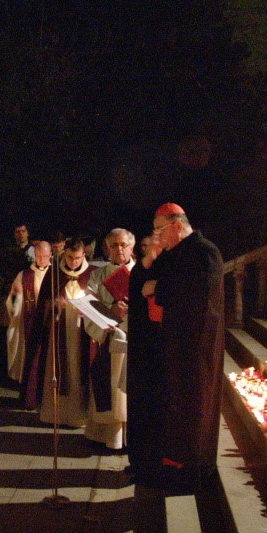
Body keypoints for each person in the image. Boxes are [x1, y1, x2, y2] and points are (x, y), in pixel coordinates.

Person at [141, 203, 224, 492]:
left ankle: (192, 472)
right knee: (175, 406)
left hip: (196, 346)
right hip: (176, 342)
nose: (157, 237)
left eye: (160, 230)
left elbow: (199, 295)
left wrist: (158, 289)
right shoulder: (176, 252)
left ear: (177, 225)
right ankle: (173, 465)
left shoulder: (205, 252)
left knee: (193, 407)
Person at [83, 228, 136, 449]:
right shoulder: (98, 275)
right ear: (107, 248)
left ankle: (132, 440)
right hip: (109, 339)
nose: (119, 249)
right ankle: (105, 437)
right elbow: (89, 307)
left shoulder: (141, 273)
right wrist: (111, 311)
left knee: (131, 393)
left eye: (123, 245)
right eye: (114, 245)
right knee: (108, 389)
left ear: (131, 247)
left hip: (134, 343)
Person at [32, 239, 92, 427]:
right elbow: (43, 304)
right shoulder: (55, 274)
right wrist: (54, 304)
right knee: (57, 367)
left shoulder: (91, 274)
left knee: (78, 369)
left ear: (84, 255)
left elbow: (98, 301)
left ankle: (78, 416)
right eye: (70, 257)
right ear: (64, 254)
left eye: (77, 258)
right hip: (58, 330)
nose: (73, 262)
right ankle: (54, 414)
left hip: (82, 331)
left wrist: (88, 309)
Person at [126, 235, 167, 479]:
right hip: (141, 346)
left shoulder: (170, 267)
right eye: (146, 246)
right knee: (139, 405)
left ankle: (152, 465)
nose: (150, 248)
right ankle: (139, 461)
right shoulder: (140, 269)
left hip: (160, 347)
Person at [6, 241, 51, 406]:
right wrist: (16, 295)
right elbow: (12, 304)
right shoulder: (24, 275)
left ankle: (48, 398)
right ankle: (30, 397)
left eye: (45, 256)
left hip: (50, 324)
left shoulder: (55, 274)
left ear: (50, 255)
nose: (42, 260)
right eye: (38, 256)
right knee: (32, 360)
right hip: (30, 324)